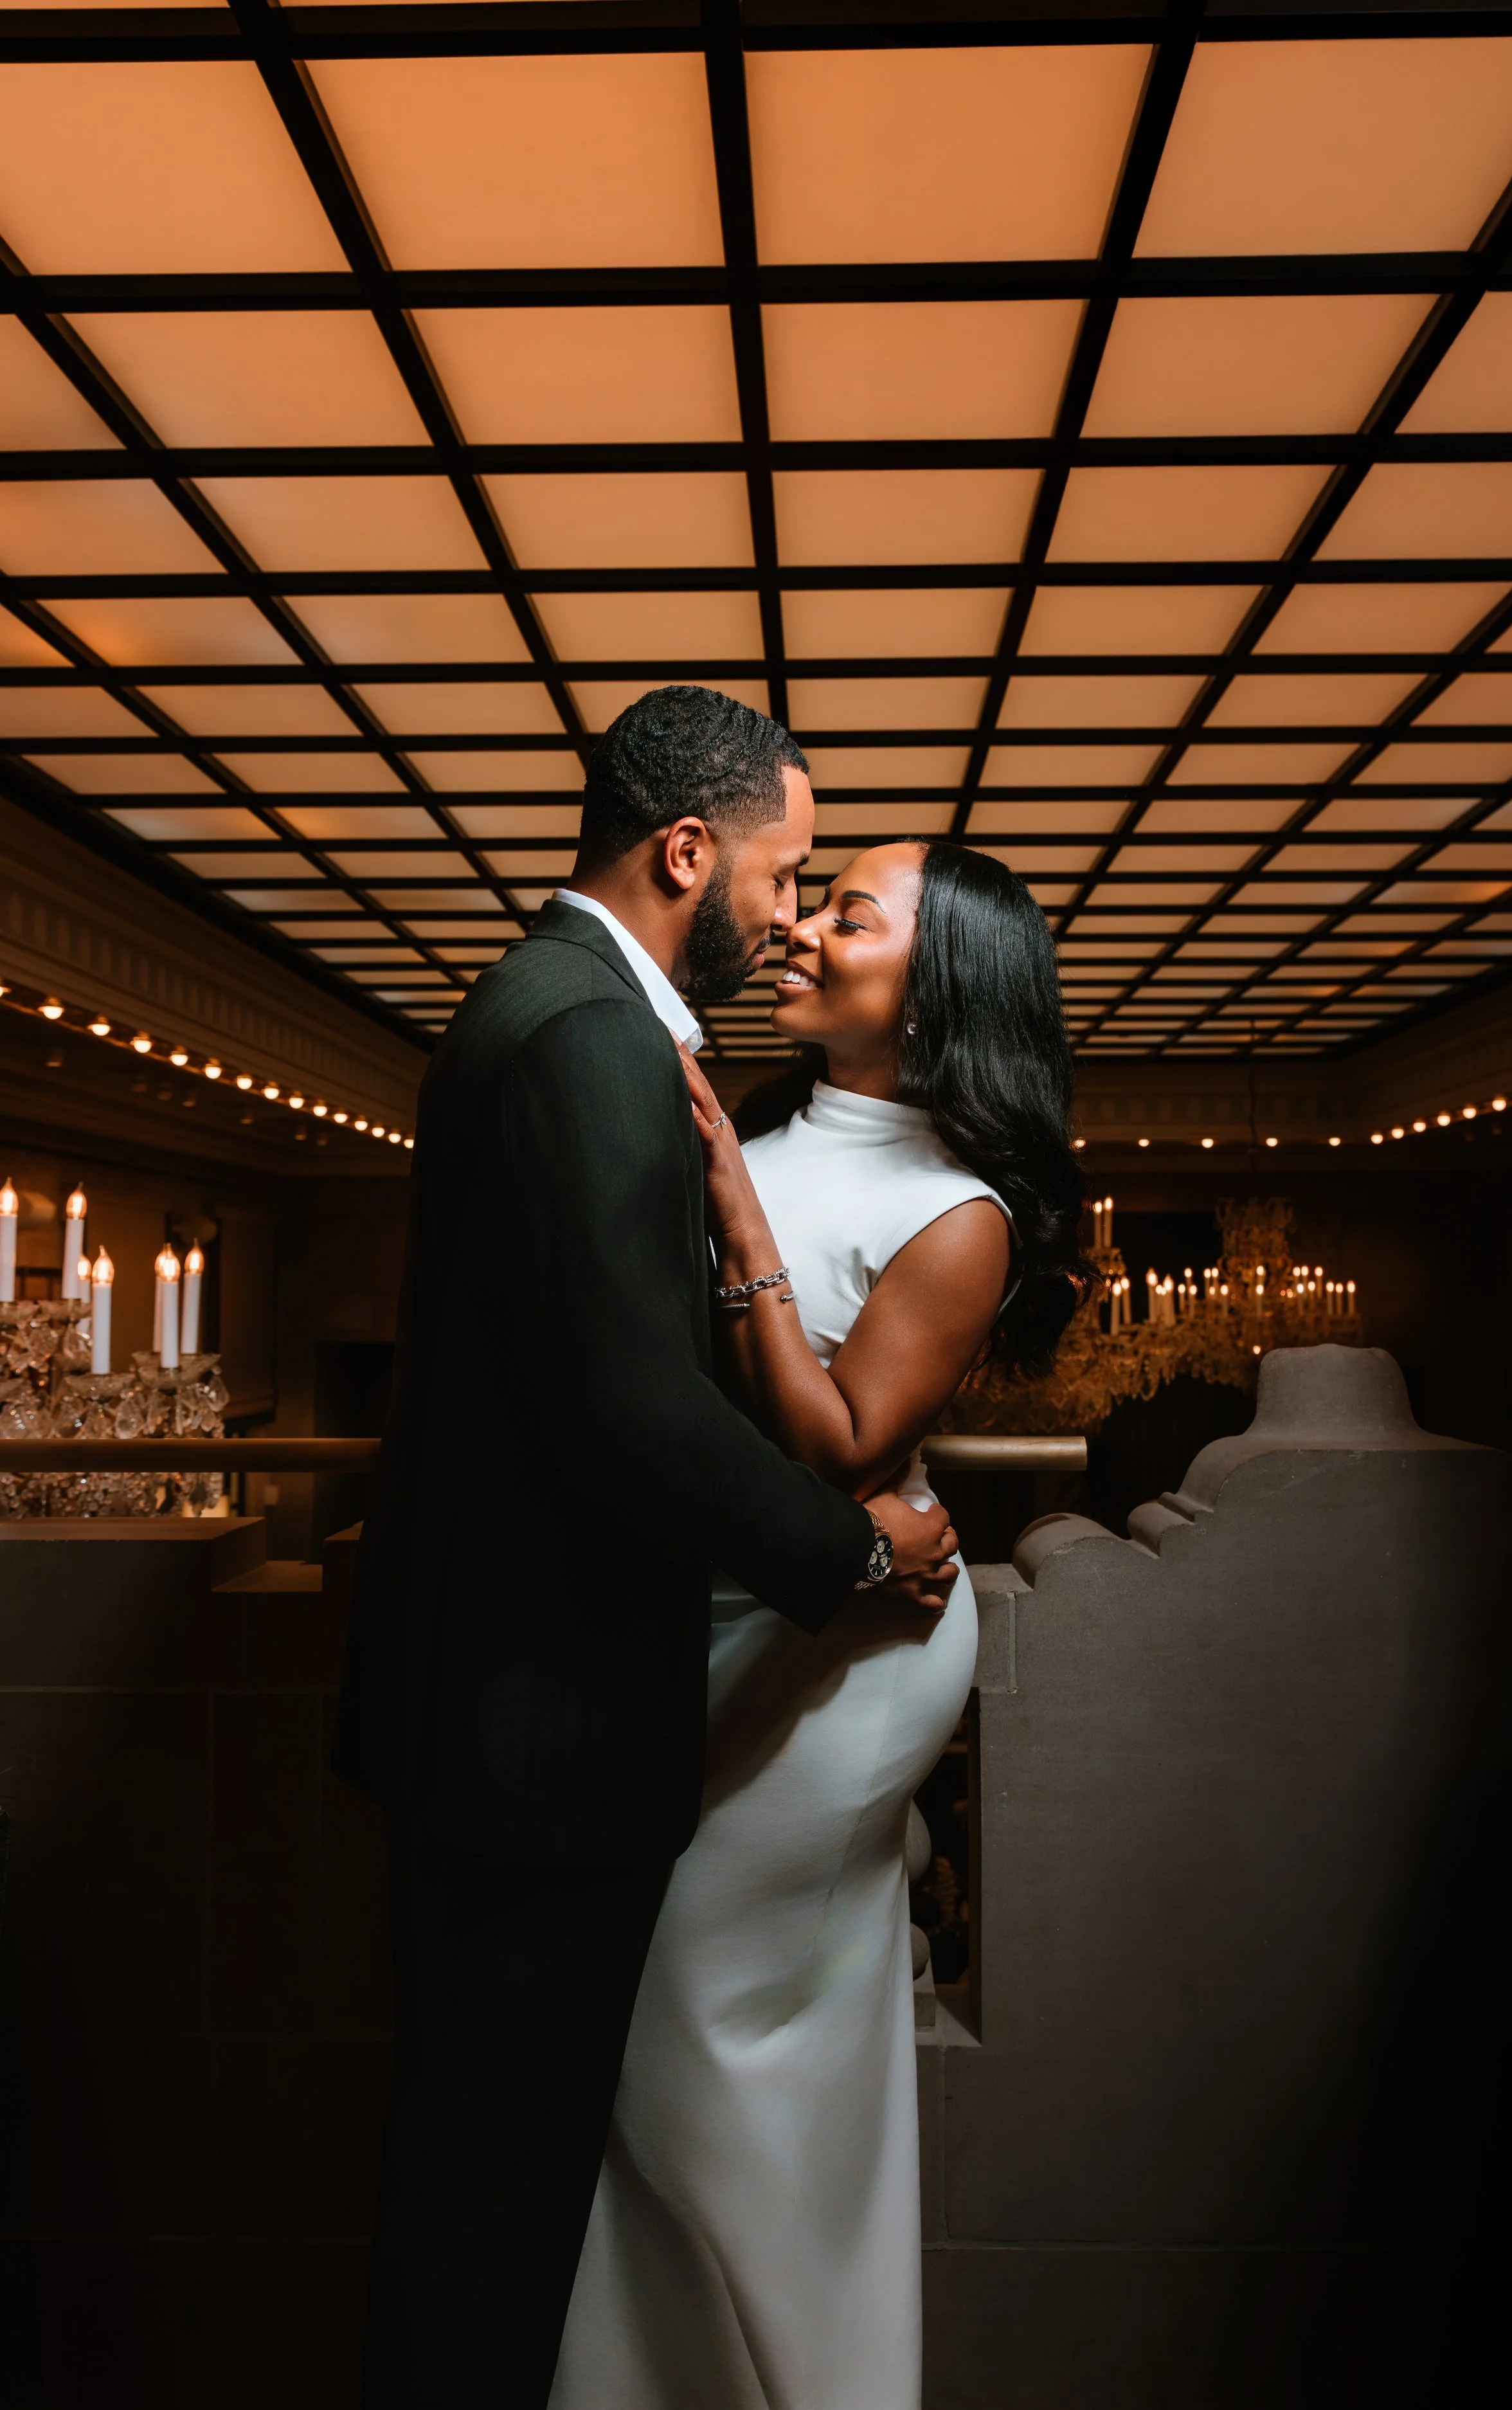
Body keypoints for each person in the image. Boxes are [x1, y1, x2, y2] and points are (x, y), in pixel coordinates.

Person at [332, 687, 960, 2409]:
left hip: (489, 1714)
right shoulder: (592, 1036)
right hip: (537, 1733)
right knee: (488, 2214)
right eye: (786, 871)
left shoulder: (555, 1009)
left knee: (478, 2187)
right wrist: (846, 1554)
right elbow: (625, 1407)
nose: (788, 914)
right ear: (689, 851)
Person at [551, 837, 1092, 2410]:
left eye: (848, 915)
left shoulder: (961, 1208)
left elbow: (836, 1450)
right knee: (685, 2037)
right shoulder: (751, 1118)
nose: (798, 930)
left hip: (843, 1651)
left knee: (694, 2026)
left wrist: (735, 1212)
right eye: (815, 899)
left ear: (939, 990)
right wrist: (723, 1171)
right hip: (719, 1613)